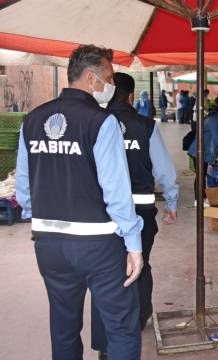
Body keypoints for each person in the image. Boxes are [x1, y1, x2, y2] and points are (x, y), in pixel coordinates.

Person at [15, 45, 143, 359]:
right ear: (90, 78)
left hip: (49, 245)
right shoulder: (101, 122)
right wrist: (134, 244)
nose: (111, 87)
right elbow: (116, 191)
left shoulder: (32, 120)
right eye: (108, 78)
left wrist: (45, 219)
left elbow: (23, 190)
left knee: (63, 327)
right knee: (121, 328)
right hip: (98, 245)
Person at [90, 73, 180, 358]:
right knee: (142, 264)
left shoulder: (94, 123)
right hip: (141, 214)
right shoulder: (146, 125)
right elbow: (164, 169)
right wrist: (172, 202)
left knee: (107, 273)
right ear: (131, 96)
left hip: (104, 216)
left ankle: (109, 329)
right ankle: (140, 317)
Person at [188, 104, 218, 207]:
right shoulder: (213, 121)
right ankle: (198, 200)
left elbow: (212, 138)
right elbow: (216, 138)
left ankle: (203, 198)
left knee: (202, 175)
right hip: (199, 151)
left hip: (203, 150)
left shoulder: (216, 119)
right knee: (200, 176)